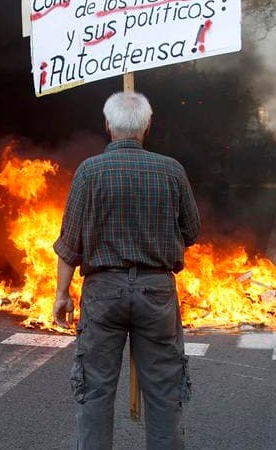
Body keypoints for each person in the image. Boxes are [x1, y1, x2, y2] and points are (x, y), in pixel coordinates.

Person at [52, 91, 201, 449]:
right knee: (164, 391)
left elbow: (69, 243)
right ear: (147, 125)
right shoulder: (172, 170)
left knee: (96, 390)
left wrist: (61, 294)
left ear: (107, 126)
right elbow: (192, 230)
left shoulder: (89, 171)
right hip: (156, 292)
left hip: (103, 292)